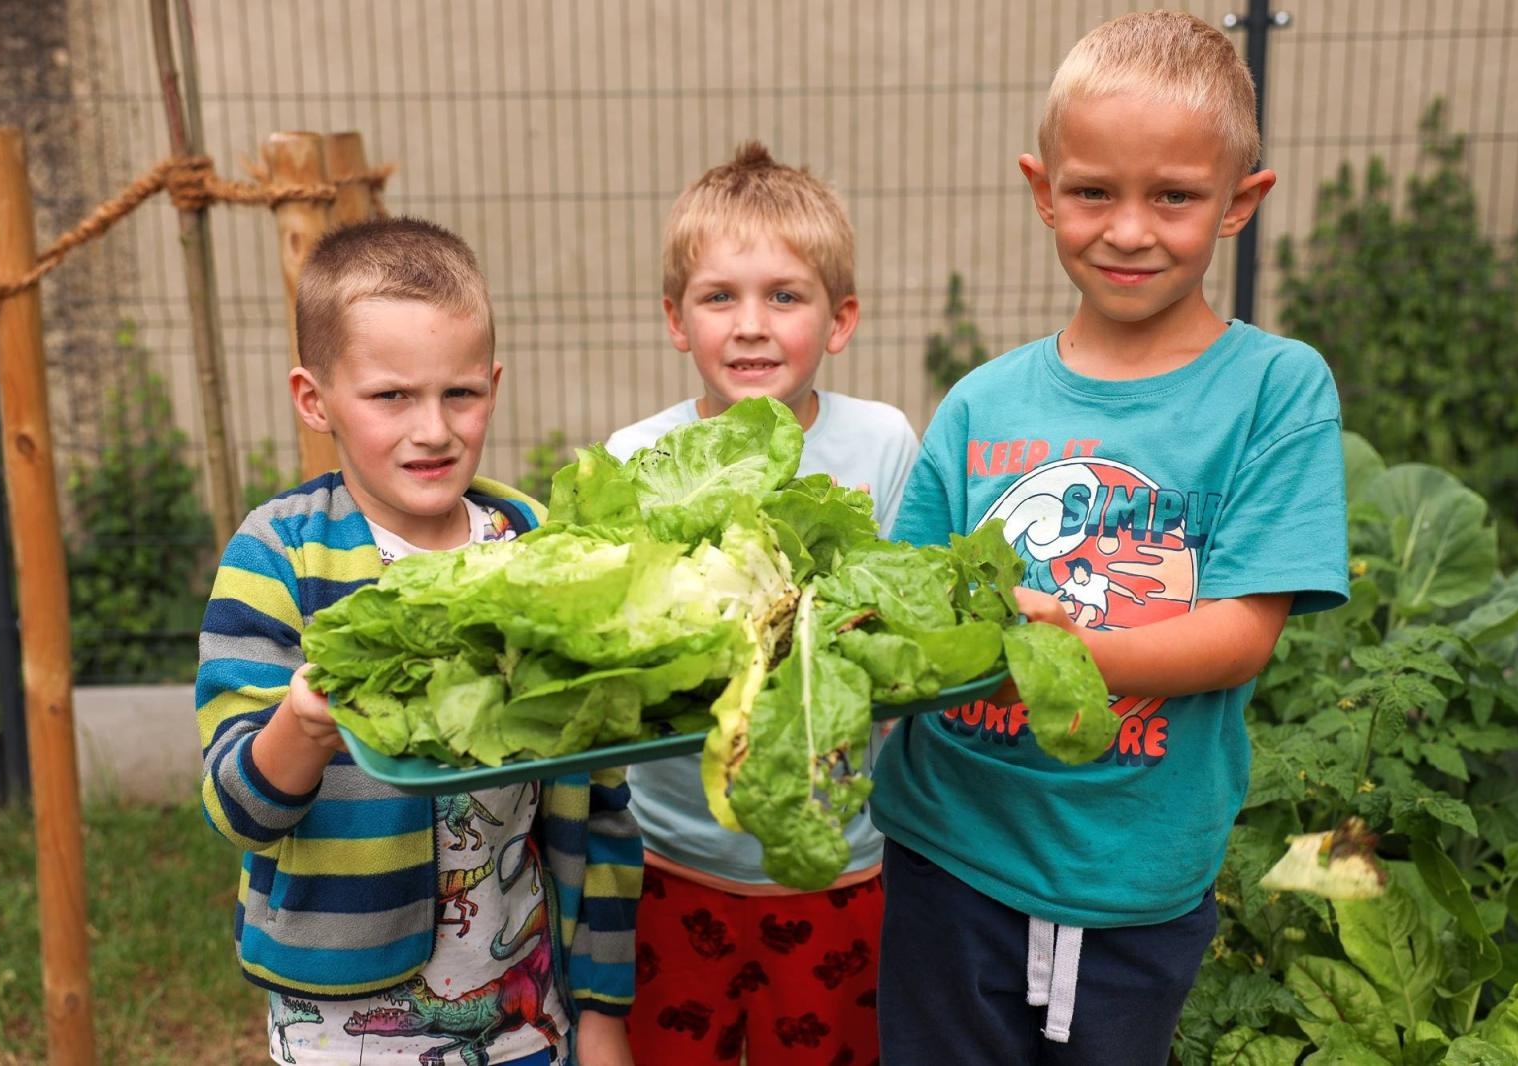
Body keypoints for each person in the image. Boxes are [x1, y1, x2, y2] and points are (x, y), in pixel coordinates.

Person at [870, 12, 1351, 1065]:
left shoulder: (1273, 391)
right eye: (1093, 192)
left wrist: (1046, 653)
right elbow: (903, 604)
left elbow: (1238, 634)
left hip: (1133, 872)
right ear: (1044, 190)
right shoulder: (980, 402)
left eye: (1172, 195)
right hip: (949, 852)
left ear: (1239, 202)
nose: (1128, 229)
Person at [195, 216, 640, 1066]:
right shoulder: (278, 555)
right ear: (313, 398)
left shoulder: (538, 545)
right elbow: (234, 808)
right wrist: (303, 725)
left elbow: (603, 799)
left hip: (526, 1015)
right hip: (343, 1033)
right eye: (391, 396)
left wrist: (603, 1011)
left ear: (494, 385)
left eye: (460, 393)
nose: (433, 429)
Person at [605, 142, 918, 1065]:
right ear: (675, 319)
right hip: (670, 861)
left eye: (785, 296)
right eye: (718, 297)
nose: (750, 326)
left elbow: (900, 624)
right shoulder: (636, 457)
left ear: (840, 319)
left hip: (839, 858)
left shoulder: (883, 443)